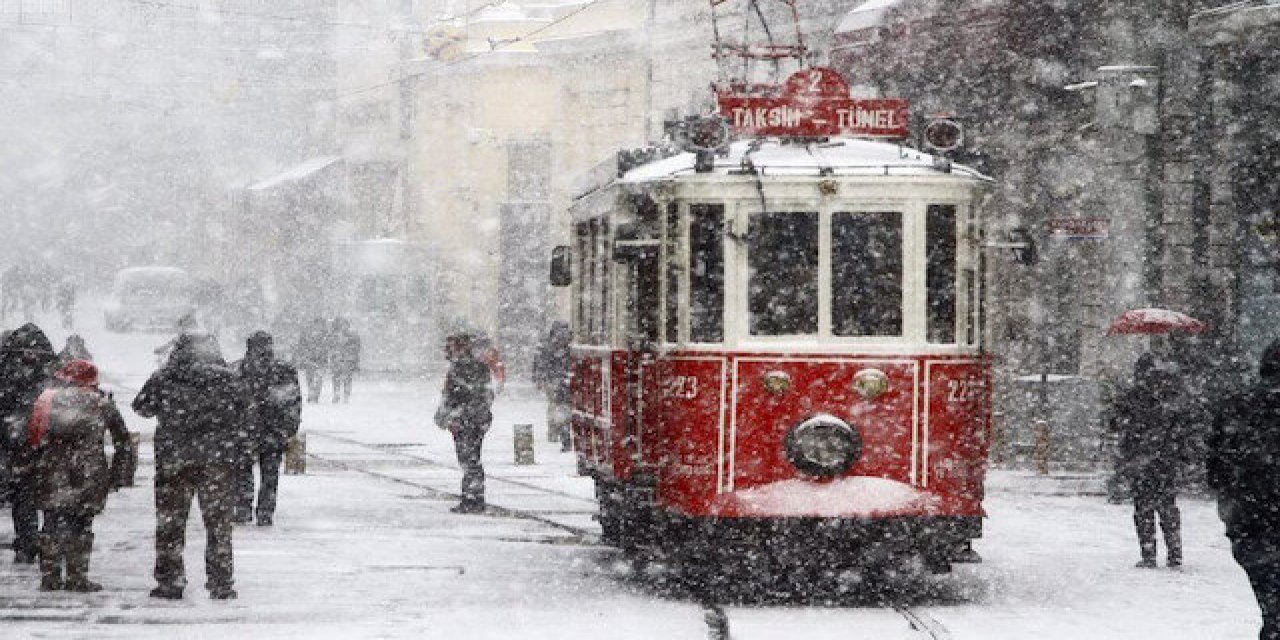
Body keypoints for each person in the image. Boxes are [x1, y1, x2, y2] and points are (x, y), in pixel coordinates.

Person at [132, 333, 245, 600]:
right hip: (217, 459)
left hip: (175, 459)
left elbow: (141, 407)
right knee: (218, 525)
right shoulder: (229, 379)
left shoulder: (165, 377)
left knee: (170, 523)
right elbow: (245, 411)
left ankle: (170, 581)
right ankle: (221, 582)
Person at [27, 359, 132, 591]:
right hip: (89, 471)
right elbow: (123, 441)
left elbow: (33, 437)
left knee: (51, 522)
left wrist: (34, 466)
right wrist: (118, 475)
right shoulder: (103, 403)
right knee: (82, 524)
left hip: (52, 469)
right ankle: (77, 577)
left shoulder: (46, 400)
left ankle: (50, 577)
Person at [1208, 339, 1280, 639]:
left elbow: (1215, 470)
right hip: (1256, 521)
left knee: (1272, 610)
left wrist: (1232, 515)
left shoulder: (1234, 405)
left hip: (1253, 527)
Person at [1113, 352, 1193, 568]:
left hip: (1140, 460)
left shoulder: (1131, 396)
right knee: (1167, 507)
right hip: (1165, 460)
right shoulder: (1171, 395)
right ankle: (1175, 553)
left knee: (1143, 509)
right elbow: (1182, 428)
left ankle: (1149, 554)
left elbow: (1117, 424)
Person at [0, 323, 58, 563]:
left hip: (21, 444)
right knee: (44, 496)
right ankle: (43, 543)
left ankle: (28, 543)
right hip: (40, 444)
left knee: (25, 496)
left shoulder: (6, 371)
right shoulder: (52, 373)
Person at [233, 331, 301, 526]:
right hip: (274, 430)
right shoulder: (284, 370)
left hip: (244, 429)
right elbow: (293, 401)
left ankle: (243, 508)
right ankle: (265, 512)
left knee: (243, 470)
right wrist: (290, 429)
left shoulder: (237, 369)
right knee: (270, 474)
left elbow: (229, 402)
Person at [434, 334, 494, 514]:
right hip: (478, 419)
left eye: (451, 347)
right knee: (473, 457)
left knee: (468, 459)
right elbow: (487, 394)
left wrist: (448, 417)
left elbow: (450, 397)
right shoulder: (479, 367)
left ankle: (471, 498)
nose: (449, 350)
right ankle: (476, 496)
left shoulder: (458, 369)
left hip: (465, 421)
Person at [533, 322, 572, 451]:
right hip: (567, 379)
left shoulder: (548, 343)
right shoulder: (569, 342)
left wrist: (540, 378)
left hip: (554, 380)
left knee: (555, 406)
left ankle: (554, 431)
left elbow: (540, 361)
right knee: (563, 407)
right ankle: (562, 432)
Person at [294, 317, 330, 403]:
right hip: (312, 359)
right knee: (312, 378)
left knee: (316, 378)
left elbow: (301, 345)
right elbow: (301, 345)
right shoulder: (322, 334)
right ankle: (312, 394)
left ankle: (314, 395)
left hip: (317, 359)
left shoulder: (324, 335)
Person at [327, 318, 360, 403]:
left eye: (344, 324)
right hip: (339, 359)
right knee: (337, 378)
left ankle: (345, 395)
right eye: (341, 325)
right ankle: (338, 394)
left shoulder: (352, 335)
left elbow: (357, 348)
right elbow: (329, 346)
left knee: (346, 378)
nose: (343, 327)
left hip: (346, 359)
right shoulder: (333, 335)